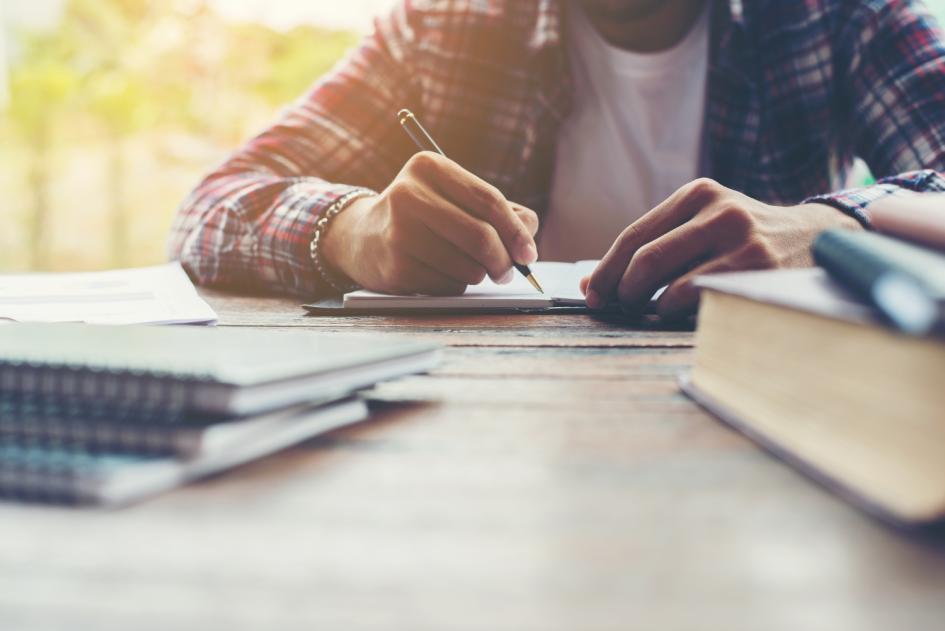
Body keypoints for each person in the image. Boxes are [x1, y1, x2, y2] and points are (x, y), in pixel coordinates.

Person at [168, 0, 945, 316]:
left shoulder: (840, 19)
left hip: (776, 419)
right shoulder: (446, 29)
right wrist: (350, 229)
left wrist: (820, 230)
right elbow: (211, 208)